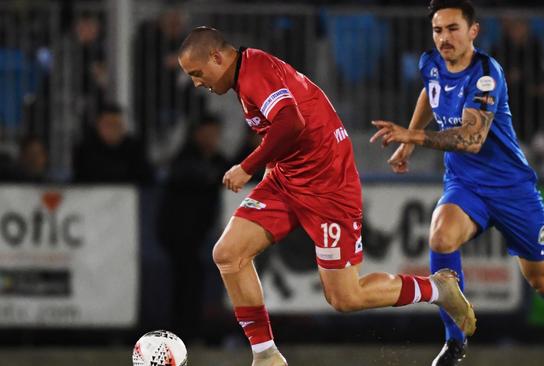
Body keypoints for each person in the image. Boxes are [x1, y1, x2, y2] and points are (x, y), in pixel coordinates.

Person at [177, 26, 476, 366]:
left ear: (217, 57)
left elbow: (291, 122)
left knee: (345, 297)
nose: (197, 83)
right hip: (286, 178)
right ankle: (266, 355)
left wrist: (247, 166)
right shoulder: (248, 73)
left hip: (328, 185)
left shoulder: (254, 72)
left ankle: (438, 288)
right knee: (228, 253)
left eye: (197, 74)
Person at [370, 1, 544, 365]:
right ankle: (455, 341)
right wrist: (408, 139)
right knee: (440, 235)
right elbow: (430, 94)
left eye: (453, 29)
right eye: (438, 30)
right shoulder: (429, 63)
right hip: (466, 185)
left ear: (473, 31)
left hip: (512, 190)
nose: (444, 38)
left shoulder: (486, 74)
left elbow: (472, 139)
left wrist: (414, 137)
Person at [157, 114, 230, 342]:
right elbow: (189, 174)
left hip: (200, 233)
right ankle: (183, 331)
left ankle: (193, 329)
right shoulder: (185, 158)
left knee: (194, 279)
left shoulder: (217, 159)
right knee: (185, 279)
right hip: (178, 232)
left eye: (215, 134)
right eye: (208, 133)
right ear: (197, 134)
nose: (212, 139)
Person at [73, 104, 153, 184]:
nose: (112, 129)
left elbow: (145, 178)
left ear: (123, 127)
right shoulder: (85, 149)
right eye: (107, 125)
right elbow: (81, 180)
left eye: (116, 125)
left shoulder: (135, 148)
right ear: (98, 126)